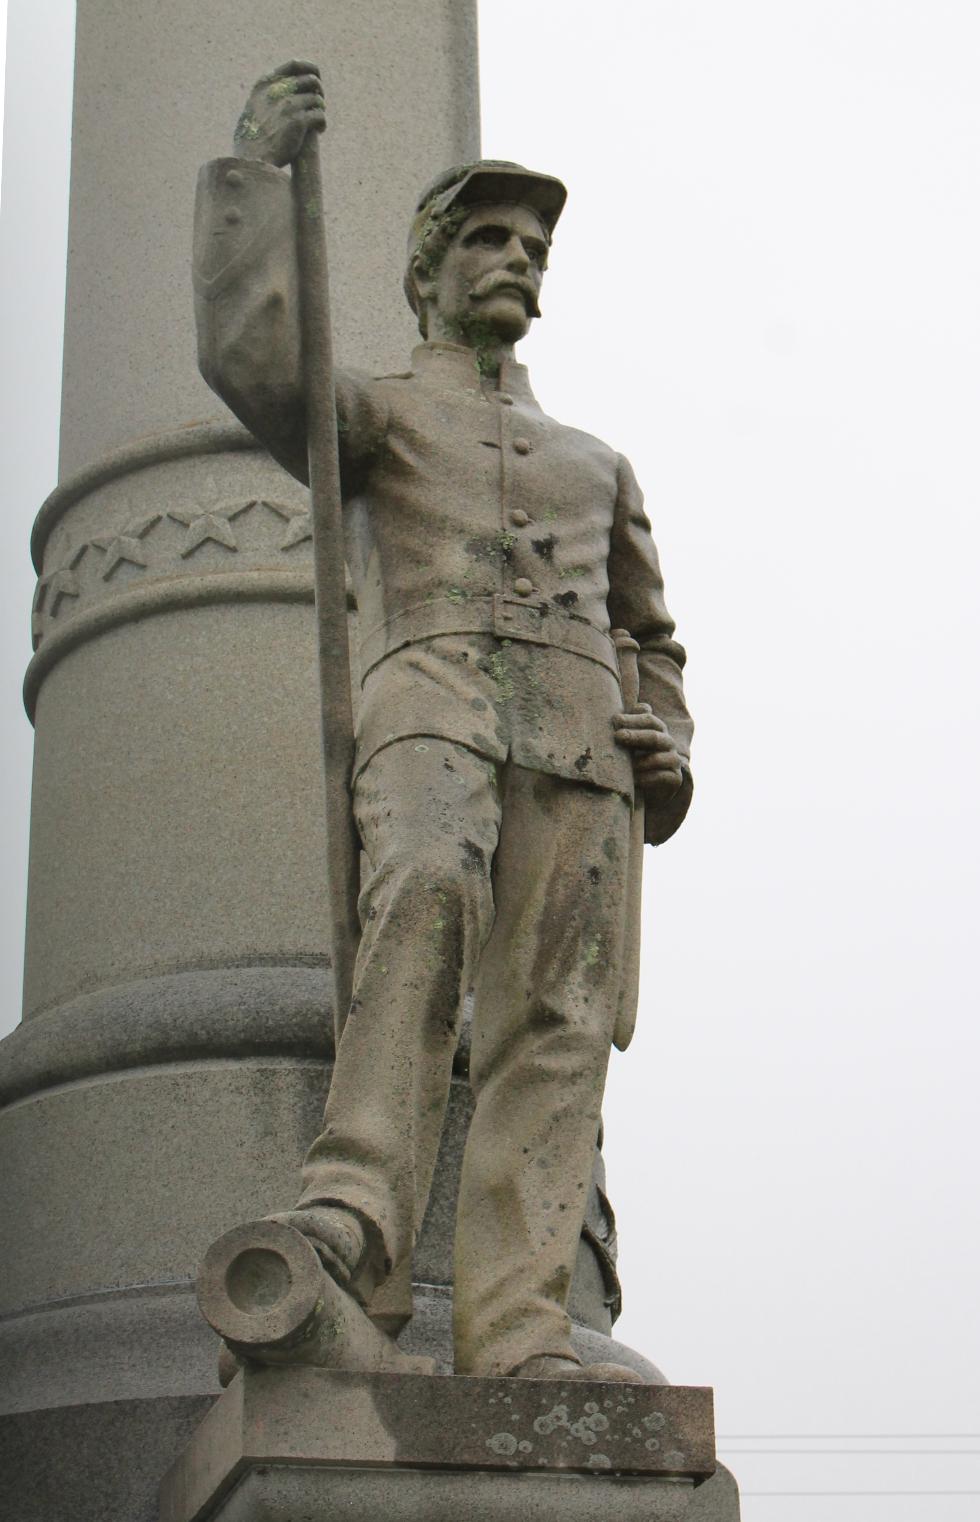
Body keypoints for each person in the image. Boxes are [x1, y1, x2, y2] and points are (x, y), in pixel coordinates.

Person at [194, 60, 693, 1381]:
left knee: (555, 1023)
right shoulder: (377, 407)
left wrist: (667, 740)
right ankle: (356, 1206)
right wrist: (251, 177)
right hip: (433, 703)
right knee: (418, 898)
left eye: (533, 243)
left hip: (582, 751)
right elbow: (253, 362)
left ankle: (522, 1328)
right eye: (489, 235)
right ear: (430, 267)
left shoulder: (597, 461)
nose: (519, 256)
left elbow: (650, 636)